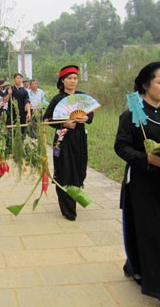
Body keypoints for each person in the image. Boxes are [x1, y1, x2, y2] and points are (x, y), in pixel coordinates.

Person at [114, 62, 160, 306]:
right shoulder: (132, 114)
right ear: (146, 85)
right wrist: (146, 159)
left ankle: (136, 266)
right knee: (152, 232)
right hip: (141, 180)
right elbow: (121, 146)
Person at [43, 65, 93, 221]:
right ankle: (68, 209)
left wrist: (86, 118)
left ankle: (73, 196)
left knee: (79, 170)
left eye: (75, 78)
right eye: (69, 78)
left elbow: (90, 114)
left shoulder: (82, 97)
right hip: (63, 139)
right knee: (65, 171)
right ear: (62, 81)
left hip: (79, 138)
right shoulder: (58, 99)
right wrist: (63, 124)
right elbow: (47, 119)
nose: (72, 81)